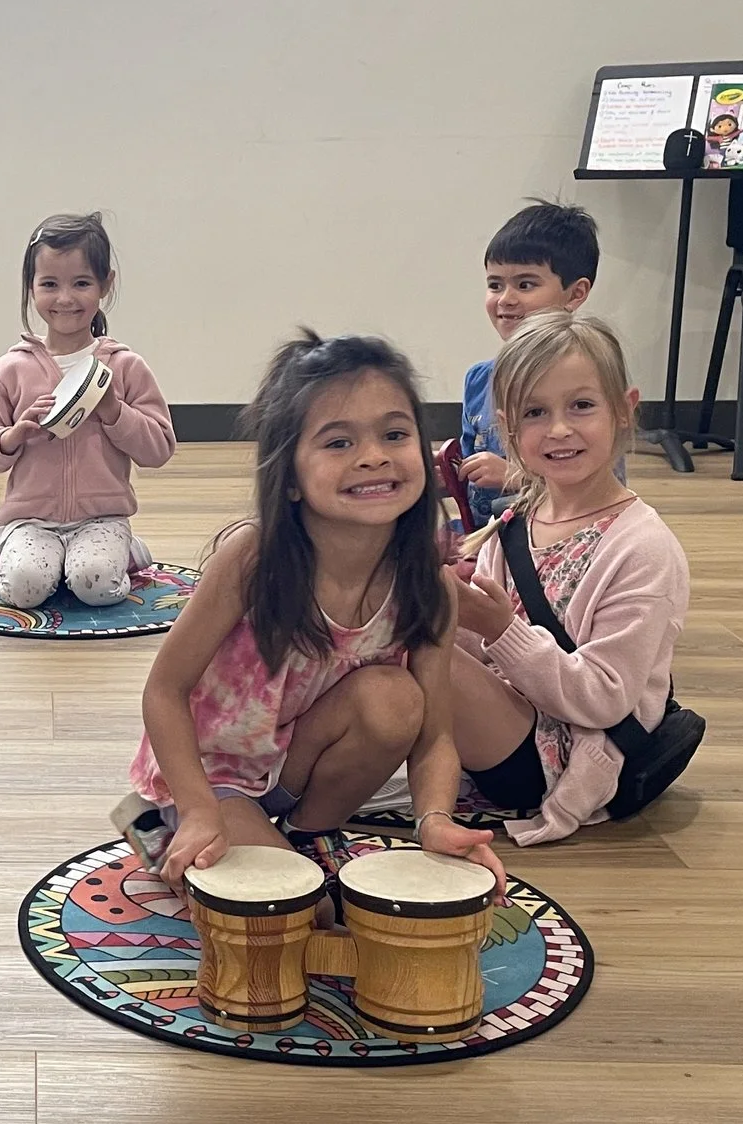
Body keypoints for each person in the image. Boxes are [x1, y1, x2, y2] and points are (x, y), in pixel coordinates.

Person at [130, 332, 503, 890]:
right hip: (208, 778)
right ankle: (151, 826)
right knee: (306, 916)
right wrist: (201, 810)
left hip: (290, 768)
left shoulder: (429, 584)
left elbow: (435, 735)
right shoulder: (252, 560)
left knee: (399, 699)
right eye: (337, 443)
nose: (374, 455)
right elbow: (164, 691)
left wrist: (436, 820)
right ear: (292, 479)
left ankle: (307, 838)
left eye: (395, 434)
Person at [449, 312, 690, 844]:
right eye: (536, 412)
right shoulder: (514, 522)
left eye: (581, 405)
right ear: (510, 430)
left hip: (569, 754)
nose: (559, 429)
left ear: (624, 411)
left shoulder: (644, 548)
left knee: (426, 657)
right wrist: (447, 611)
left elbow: (605, 700)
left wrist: (497, 629)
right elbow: (480, 653)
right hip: (509, 722)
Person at [0, 211, 175, 608]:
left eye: (81, 283)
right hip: (30, 521)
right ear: (30, 287)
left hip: (101, 519)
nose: (65, 298)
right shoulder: (9, 369)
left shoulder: (125, 366)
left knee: (96, 587)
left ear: (105, 285)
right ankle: (18, 552)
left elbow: (159, 449)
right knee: (23, 591)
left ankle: (125, 552)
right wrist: (14, 435)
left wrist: (115, 410)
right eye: (49, 284)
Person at [461, 202, 598, 531]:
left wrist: (516, 477)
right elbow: (470, 475)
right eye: (495, 285)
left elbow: (599, 493)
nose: (505, 299)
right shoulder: (479, 380)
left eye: (525, 285)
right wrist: (446, 476)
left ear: (575, 293)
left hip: (557, 542)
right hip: (486, 541)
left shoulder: (590, 379)